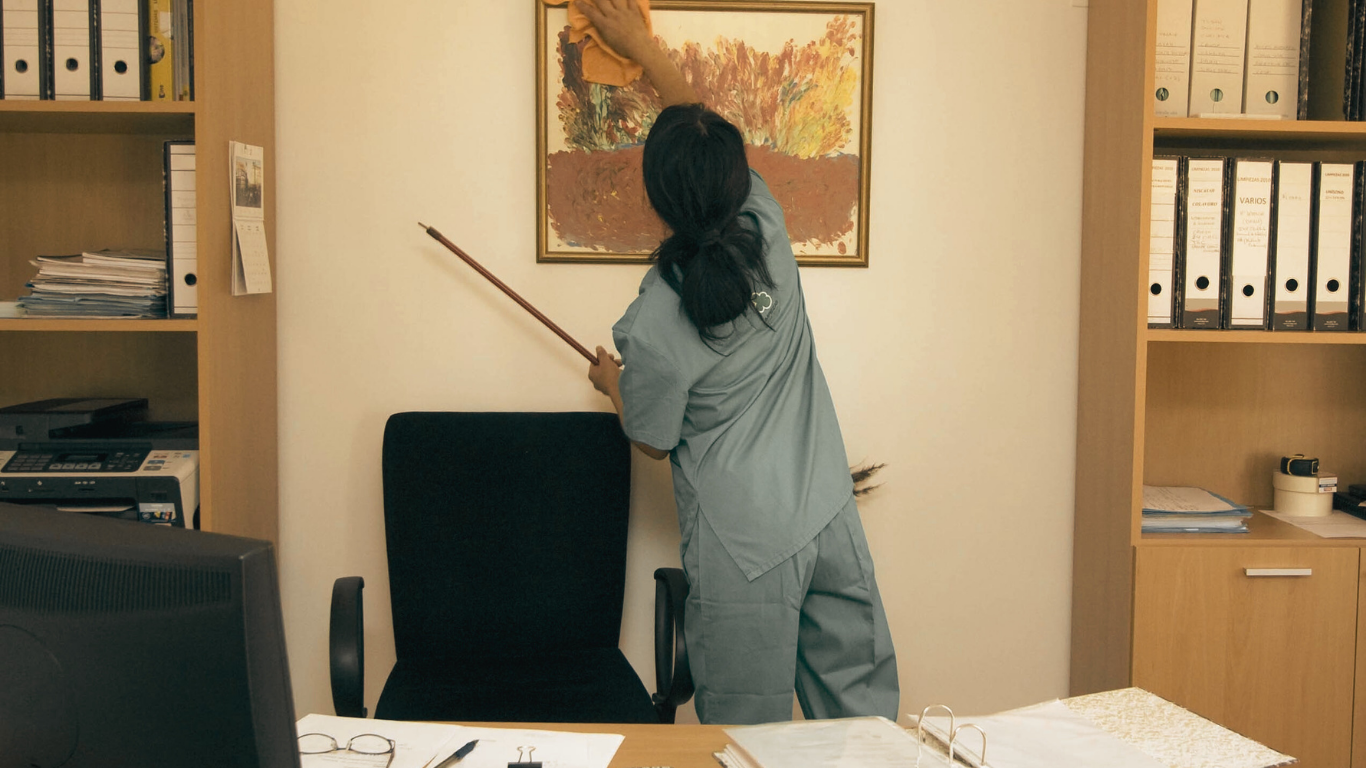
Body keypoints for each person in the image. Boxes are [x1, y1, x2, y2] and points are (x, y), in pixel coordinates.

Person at [580, 0, 899, 725]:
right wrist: (646, 48)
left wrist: (613, 385)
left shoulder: (658, 318)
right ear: (730, 173)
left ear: (657, 197)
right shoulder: (766, 223)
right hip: (828, 514)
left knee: (745, 742)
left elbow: (653, 438)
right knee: (865, 733)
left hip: (747, 547)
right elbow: (699, 126)